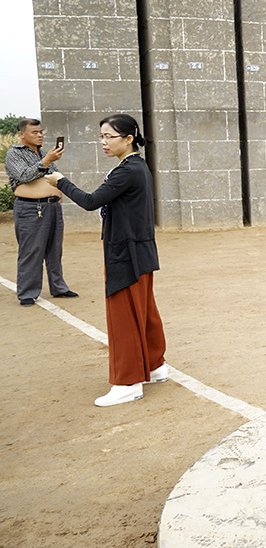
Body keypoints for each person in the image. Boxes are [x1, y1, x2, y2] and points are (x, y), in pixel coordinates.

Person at [46, 114, 168, 407]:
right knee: (144, 310)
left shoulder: (128, 170)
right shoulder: (135, 167)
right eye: (101, 136)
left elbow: (90, 201)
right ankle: (155, 365)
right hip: (138, 249)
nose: (103, 142)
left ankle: (128, 382)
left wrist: (60, 181)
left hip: (125, 252)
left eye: (108, 136)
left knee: (124, 317)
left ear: (128, 139)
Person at [5, 118, 77, 306]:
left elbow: (53, 176)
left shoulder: (44, 153)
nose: (40, 135)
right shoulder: (14, 154)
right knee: (31, 250)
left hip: (52, 207)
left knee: (55, 250)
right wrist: (46, 161)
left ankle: (58, 287)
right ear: (22, 134)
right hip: (31, 208)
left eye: (41, 131)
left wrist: (58, 191)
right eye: (34, 132)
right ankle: (28, 292)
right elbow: (24, 176)